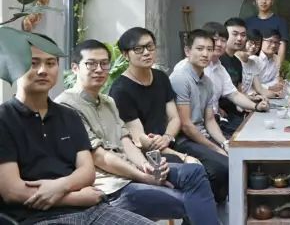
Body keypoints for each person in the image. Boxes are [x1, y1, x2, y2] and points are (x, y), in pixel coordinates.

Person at [56, 39, 218, 223]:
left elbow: (125, 140)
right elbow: (99, 157)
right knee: (190, 202)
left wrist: (145, 166)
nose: (99, 69)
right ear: (75, 68)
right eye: (91, 64)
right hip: (110, 186)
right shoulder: (66, 106)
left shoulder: (108, 101)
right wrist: (143, 176)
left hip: (130, 171)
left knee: (194, 173)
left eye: (104, 63)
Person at [0, 35, 154, 225]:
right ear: (14, 66)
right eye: (33, 63)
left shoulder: (69, 115)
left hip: (93, 212)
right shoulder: (4, 119)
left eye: (50, 63)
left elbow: (87, 171)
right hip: (37, 218)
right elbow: (12, 191)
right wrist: (75, 198)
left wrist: (60, 186)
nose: (43, 70)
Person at [109, 27, 198, 164]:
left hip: (170, 140)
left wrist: (167, 137)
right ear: (125, 55)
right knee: (194, 168)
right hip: (146, 154)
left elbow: (174, 118)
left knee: (219, 164)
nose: (146, 53)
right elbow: (140, 140)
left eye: (150, 46)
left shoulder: (161, 77)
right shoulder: (120, 90)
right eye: (138, 49)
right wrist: (184, 157)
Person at [171, 28, 230, 204]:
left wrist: (224, 143)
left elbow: (209, 119)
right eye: (200, 48)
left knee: (237, 156)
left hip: (200, 136)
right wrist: (216, 149)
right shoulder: (180, 78)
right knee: (224, 165)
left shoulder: (207, 82)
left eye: (209, 49)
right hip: (183, 139)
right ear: (187, 51)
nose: (205, 54)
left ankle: (218, 208)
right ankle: (204, 210)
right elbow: (186, 125)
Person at [218, 17, 270, 135]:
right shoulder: (217, 60)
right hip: (223, 117)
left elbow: (237, 93)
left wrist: (255, 101)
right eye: (235, 34)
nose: (239, 38)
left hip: (236, 112)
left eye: (243, 35)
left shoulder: (237, 62)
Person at [245, 0, 289, 67]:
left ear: (272, 1)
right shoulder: (248, 22)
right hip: (250, 65)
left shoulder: (280, 22)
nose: (264, 1)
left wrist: (278, 69)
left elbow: (281, 47)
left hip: (271, 66)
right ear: (256, 0)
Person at [235, 29, 279, 99]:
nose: (253, 46)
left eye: (257, 44)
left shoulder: (253, 63)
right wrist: (253, 98)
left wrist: (277, 95)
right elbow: (235, 93)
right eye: (251, 43)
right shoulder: (234, 60)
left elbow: (260, 89)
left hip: (249, 100)